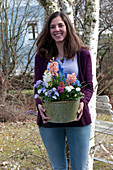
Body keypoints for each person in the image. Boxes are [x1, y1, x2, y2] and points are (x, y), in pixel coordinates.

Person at [34, 11, 93, 170]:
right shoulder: (42, 55)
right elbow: (37, 85)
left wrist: (83, 102)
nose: (57, 29)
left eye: (60, 25)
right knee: (58, 167)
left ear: (67, 27)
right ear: (48, 30)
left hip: (77, 117)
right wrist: (39, 104)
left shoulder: (83, 54)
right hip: (50, 119)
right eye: (52, 27)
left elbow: (88, 85)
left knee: (80, 167)